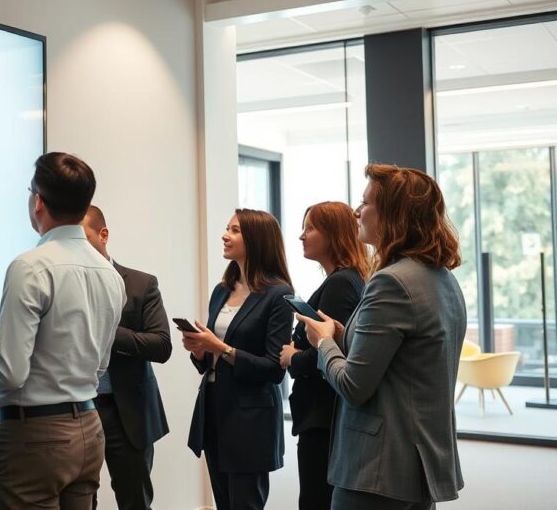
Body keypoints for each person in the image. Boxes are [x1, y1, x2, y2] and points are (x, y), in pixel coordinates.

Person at [296, 164, 466, 510]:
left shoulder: (391, 282)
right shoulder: (441, 278)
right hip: (418, 464)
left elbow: (354, 386)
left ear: (392, 214)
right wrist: (342, 335)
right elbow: (403, 361)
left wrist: (323, 343)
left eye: (365, 203)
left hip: (377, 468)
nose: (357, 211)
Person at [0, 152, 125, 510]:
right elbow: (100, 366)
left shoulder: (30, 266)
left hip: (35, 437)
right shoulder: (109, 272)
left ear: (38, 202)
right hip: (90, 432)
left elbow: (11, 372)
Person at [182, 208, 293, 510]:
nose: (224, 235)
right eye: (226, 228)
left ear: (256, 240)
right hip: (215, 409)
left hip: (251, 419)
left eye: (234, 230)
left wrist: (220, 347)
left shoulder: (279, 295)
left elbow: (273, 369)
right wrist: (200, 351)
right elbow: (212, 360)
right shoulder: (222, 291)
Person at [278, 201, 369, 510]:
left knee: (316, 500)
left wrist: (292, 356)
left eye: (311, 228)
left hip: (324, 415)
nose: (302, 236)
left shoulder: (341, 282)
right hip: (328, 415)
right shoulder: (347, 279)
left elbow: (330, 353)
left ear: (334, 234)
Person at [81, 205, 171, 510]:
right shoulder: (66, 285)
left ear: (103, 235)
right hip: (78, 411)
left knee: (135, 501)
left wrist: (107, 328)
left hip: (128, 414)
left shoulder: (140, 284)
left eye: (83, 237)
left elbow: (161, 345)